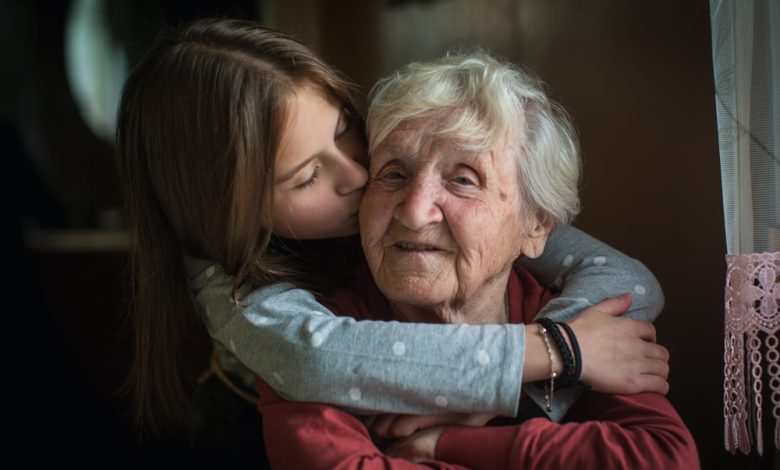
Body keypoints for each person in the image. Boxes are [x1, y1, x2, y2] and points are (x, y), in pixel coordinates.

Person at [116, 18, 668, 457]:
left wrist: (524, 396)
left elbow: (630, 283)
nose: (360, 177)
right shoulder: (242, 294)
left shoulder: (505, 230)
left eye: (345, 133)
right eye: (308, 176)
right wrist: (557, 352)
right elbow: (317, 362)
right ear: (232, 214)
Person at [255, 49, 699, 468]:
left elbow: (665, 458)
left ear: (537, 225)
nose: (413, 211)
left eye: (464, 180)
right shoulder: (315, 339)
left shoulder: (578, 318)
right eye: (393, 173)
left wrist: (448, 443)